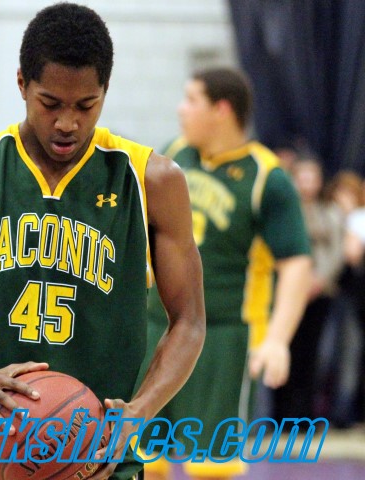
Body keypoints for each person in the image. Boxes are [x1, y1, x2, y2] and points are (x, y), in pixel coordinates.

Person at [0, 3, 205, 480]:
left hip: (98, 454)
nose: (67, 123)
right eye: (51, 103)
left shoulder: (151, 181)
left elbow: (189, 322)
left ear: (105, 91)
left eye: (86, 105)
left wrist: (141, 410)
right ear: (22, 84)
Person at [142, 67, 312, 480]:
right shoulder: (174, 154)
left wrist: (278, 339)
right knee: (142, 460)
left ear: (221, 109)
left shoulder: (267, 178)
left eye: (191, 100)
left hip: (224, 335)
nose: (181, 110)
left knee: (210, 467)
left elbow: (296, 264)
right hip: (156, 325)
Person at [272, 158, 343, 421]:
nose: (306, 184)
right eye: (302, 178)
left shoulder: (330, 212)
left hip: (320, 292)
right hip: (287, 291)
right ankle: (280, 415)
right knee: (283, 348)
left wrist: (319, 279)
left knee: (313, 355)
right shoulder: (284, 211)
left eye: (311, 178)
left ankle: (305, 415)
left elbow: (337, 251)